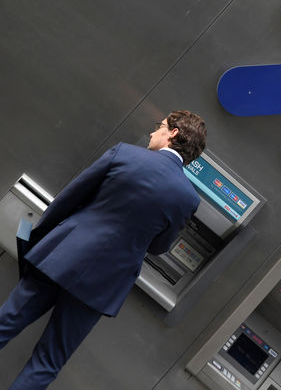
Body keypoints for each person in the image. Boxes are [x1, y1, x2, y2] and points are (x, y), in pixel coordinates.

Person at [0, 110, 206, 389]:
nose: (152, 132)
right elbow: (159, 247)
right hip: (103, 286)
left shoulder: (124, 154)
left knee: (6, 323)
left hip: (62, 256)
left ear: (173, 133)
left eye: (159, 127)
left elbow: (68, 199)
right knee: (47, 362)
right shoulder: (187, 198)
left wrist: (37, 244)